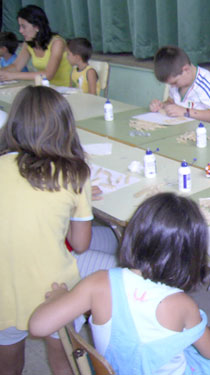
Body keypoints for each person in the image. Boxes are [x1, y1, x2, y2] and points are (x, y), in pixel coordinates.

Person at [29, 193, 210, 375]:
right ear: (190, 257)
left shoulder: (98, 282)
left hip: (121, 368)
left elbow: (38, 326)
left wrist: (60, 296)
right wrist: (208, 332)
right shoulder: (182, 305)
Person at [0, 86, 93, 374]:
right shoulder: (75, 174)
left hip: (3, 288)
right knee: (63, 357)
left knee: (8, 362)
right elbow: (80, 244)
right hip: (54, 290)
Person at [149, 45, 210, 125]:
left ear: (186, 70)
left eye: (174, 82)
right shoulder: (177, 83)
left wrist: (185, 112)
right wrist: (162, 105)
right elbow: (171, 101)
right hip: (185, 128)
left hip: (208, 131)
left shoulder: (206, 83)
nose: (172, 86)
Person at [0, 5, 72, 86]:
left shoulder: (57, 43)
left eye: (23, 27)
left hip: (65, 91)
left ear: (37, 27)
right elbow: (16, 66)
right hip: (44, 89)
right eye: (19, 26)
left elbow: (48, 74)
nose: (20, 31)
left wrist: (13, 75)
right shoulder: (28, 43)